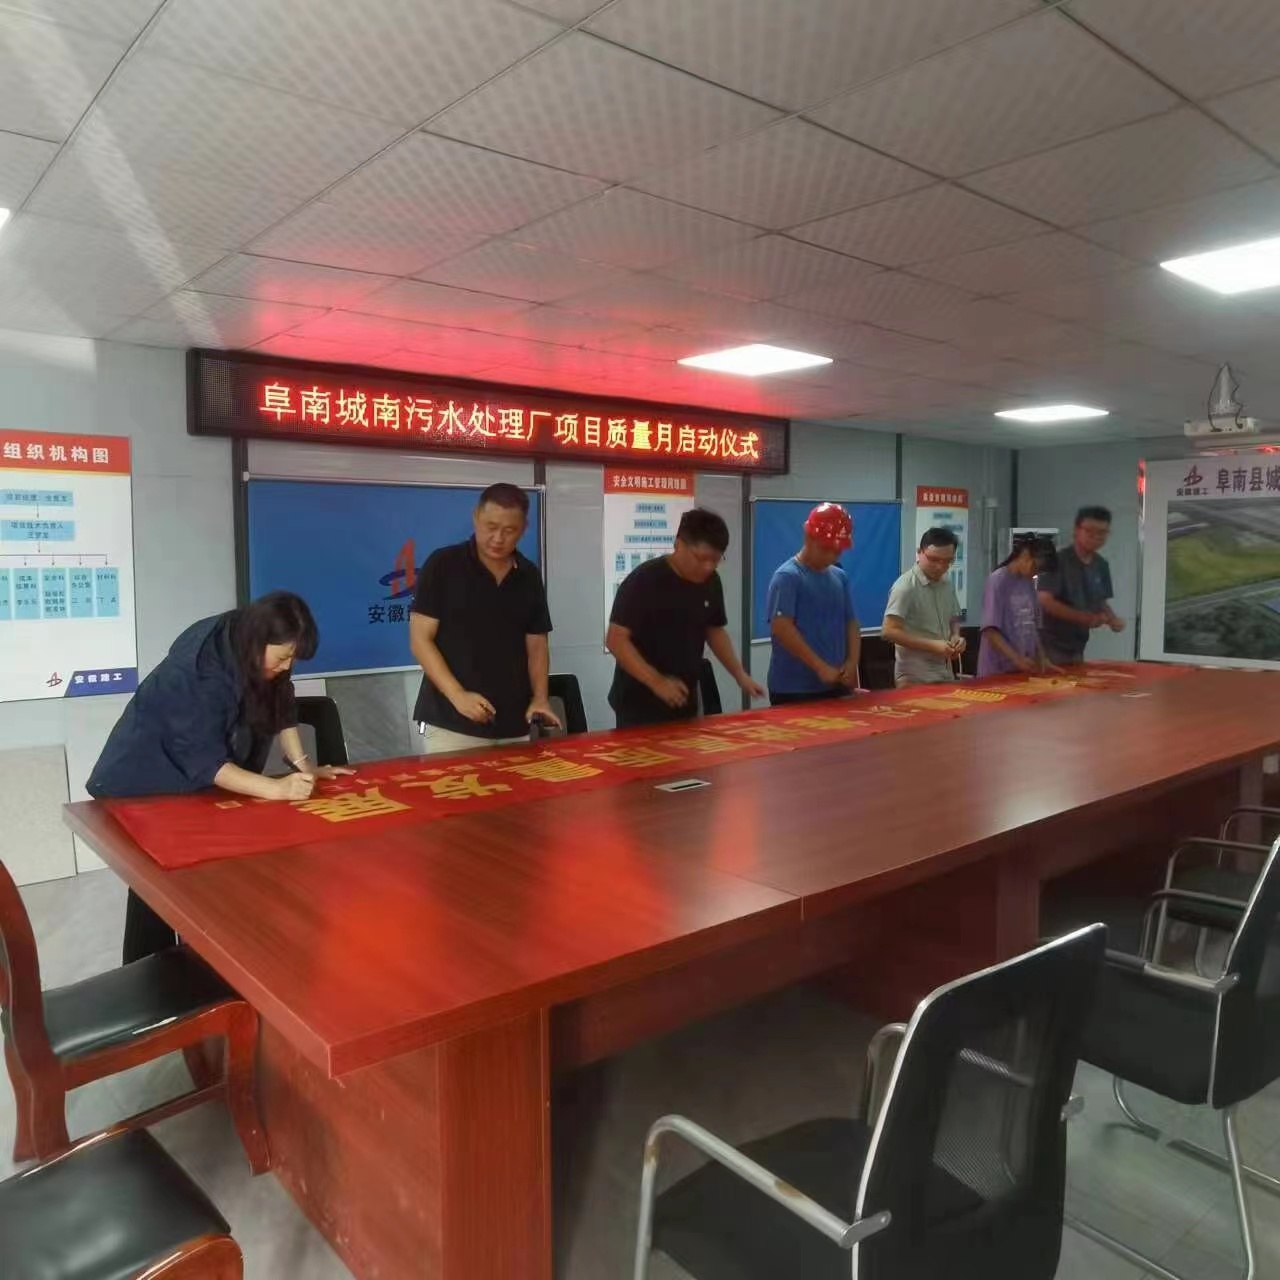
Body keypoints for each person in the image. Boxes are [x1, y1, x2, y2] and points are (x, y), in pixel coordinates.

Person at [87, 591, 352, 963]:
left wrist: (304, 765)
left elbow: (280, 701)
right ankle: (163, 973)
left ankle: (224, 961)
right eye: (283, 658)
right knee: (165, 886)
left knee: (223, 880)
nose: (287, 666)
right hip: (147, 779)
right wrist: (274, 788)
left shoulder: (254, 641)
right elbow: (205, 761)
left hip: (202, 783)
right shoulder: (200, 669)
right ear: (258, 641)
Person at [409, 483, 560, 754]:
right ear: (476, 517)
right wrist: (458, 696)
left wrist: (540, 698)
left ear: (523, 528)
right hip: (453, 721)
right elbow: (420, 639)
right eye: (491, 526)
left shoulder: (528, 575)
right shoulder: (443, 564)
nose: (498, 538)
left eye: (509, 530)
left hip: (515, 722)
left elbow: (537, 645)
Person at [606, 507, 765, 728]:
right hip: (638, 702)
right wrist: (657, 682)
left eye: (716, 559)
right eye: (701, 558)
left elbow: (714, 630)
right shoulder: (644, 581)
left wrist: (740, 675)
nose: (708, 567)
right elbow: (616, 640)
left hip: (684, 698)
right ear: (679, 544)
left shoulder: (711, 582)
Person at [765, 503, 861, 706]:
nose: (832, 556)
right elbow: (781, 628)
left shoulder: (840, 577)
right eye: (826, 549)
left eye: (837, 551)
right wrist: (820, 667)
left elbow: (851, 623)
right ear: (808, 537)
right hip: (794, 689)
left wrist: (852, 662)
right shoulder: (788, 577)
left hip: (835, 684)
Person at [1038, 505, 1125, 666]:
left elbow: (1100, 600)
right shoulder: (1057, 560)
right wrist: (1084, 618)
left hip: (1078, 646)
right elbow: (1045, 600)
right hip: (1048, 646)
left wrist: (1112, 619)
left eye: (1102, 533)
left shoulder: (1101, 565)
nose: (1096, 537)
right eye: (1090, 531)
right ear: (1076, 530)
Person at [882, 528, 966, 686]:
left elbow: (954, 617)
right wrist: (933, 645)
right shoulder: (905, 586)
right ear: (919, 552)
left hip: (945, 672)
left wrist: (956, 637)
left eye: (948, 561)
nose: (941, 566)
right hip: (914, 676)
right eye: (934, 559)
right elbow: (889, 631)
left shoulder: (947, 583)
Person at [978, 533, 1059, 677]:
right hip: (997, 670)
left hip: (1020, 668)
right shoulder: (997, 581)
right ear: (1025, 555)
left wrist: (1042, 658)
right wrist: (1017, 659)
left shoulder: (1028, 583)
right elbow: (990, 631)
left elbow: (1032, 626)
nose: (1035, 573)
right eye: (1036, 567)